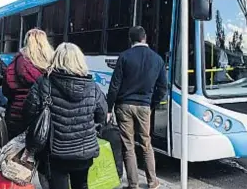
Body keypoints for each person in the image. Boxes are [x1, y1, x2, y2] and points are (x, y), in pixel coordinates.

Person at [23, 42, 107, 189]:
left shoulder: (44, 83)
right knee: (81, 185)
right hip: (84, 153)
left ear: (56, 59)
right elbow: (102, 114)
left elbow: (28, 113)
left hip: (55, 154)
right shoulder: (93, 86)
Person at [106, 26, 167, 189]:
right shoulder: (157, 59)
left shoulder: (124, 57)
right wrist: (151, 104)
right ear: (145, 37)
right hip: (144, 106)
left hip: (124, 106)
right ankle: (152, 181)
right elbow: (162, 88)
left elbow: (114, 86)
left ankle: (133, 184)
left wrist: (108, 108)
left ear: (130, 39)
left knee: (128, 145)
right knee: (146, 144)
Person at [2, 28, 53, 139]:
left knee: (15, 152)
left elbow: (6, 91)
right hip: (43, 118)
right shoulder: (51, 65)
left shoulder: (15, 63)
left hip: (16, 115)